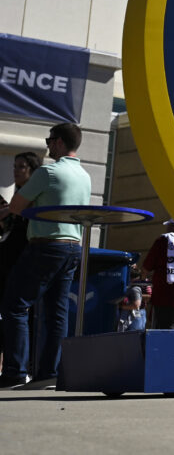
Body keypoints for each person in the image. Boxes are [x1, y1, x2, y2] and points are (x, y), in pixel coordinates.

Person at [0, 123, 91, 388]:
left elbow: (16, 207)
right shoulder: (84, 176)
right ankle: (49, 372)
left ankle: (15, 371)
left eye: (50, 140)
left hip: (45, 245)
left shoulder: (48, 172)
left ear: (60, 142)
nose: (48, 145)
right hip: (73, 246)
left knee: (14, 305)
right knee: (56, 313)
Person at [1, 151, 43, 371]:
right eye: (15, 166)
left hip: (22, 261)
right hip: (8, 260)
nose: (16, 171)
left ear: (32, 171)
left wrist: (9, 211)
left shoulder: (32, 197)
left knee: (18, 312)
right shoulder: (18, 194)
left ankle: (19, 367)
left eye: (21, 167)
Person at [142, 220, 174, 328]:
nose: (166, 229)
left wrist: (142, 279)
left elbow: (147, 266)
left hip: (163, 295)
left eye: (168, 226)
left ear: (173, 227)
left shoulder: (162, 240)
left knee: (161, 327)